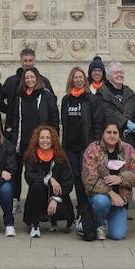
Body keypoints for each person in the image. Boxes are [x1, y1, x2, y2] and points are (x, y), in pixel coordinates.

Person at [81, 121, 135, 241]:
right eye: (108, 132)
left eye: (115, 132)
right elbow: (89, 178)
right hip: (100, 197)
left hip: (121, 200)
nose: (112, 135)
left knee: (118, 235)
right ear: (103, 134)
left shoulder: (128, 149)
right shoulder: (93, 149)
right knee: (101, 202)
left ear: (119, 134)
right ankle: (100, 223)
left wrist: (121, 179)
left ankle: (110, 217)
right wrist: (111, 193)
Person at [5, 66, 58, 199]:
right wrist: (13, 137)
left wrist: (53, 138)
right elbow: (16, 118)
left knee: (40, 174)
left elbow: (54, 117)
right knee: (17, 173)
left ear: (37, 78)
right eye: (27, 77)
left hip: (40, 142)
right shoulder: (20, 96)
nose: (29, 80)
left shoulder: (46, 95)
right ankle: (15, 200)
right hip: (22, 142)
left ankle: (41, 206)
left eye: (32, 77)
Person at [59, 66, 98, 231]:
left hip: (85, 146)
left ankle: (84, 210)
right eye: (75, 77)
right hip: (70, 146)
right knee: (74, 178)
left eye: (81, 77)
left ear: (85, 80)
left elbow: (96, 123)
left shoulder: (91, 99)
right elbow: (64, 122)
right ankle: (79, 209)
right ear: (71, 80)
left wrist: (95, 144)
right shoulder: (66, 100)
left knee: (85, 179)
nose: (78, 80)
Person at [22, 125, 75, 237]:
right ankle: (35, 225)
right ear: (37, 139)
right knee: (37, 186)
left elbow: (68, 181)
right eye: (42, 138)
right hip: (38, 196)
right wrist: (49, 179)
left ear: (53, 140)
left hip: (58, 195)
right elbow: (29, 177)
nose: (45, 140)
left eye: (48, 137)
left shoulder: (61, 156)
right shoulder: (31, 155)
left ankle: (55, 220)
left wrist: (55, 199)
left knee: (58, 192)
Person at [94, 61, 135, 145]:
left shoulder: (129, 92)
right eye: (116, 73)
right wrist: (125, 122)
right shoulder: (101, 93)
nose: (120, 75)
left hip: (130, 139)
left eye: (121, 72)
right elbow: (107, 112)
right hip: (110, 138)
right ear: (108, 76)